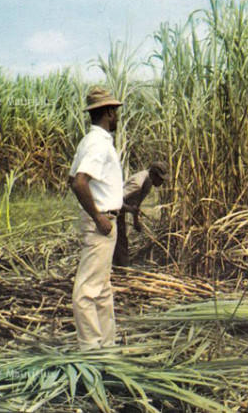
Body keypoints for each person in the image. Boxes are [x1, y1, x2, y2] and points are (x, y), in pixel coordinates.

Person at [68, 87, 123, 351]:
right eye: (116, 112)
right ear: (109, 112)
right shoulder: (98, 144)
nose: (117, 117)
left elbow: (72, 178)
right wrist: (98, 216)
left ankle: (107, 348)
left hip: (104, 223)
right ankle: (91, 351)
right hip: (101, 225)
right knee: (86, 292)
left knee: (101, 289)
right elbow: (79, 183)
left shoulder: (89, 142)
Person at [113, 162, 167, 267]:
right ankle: (122, 270)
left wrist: (135, 221)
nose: (161, 182)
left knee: (120, 240)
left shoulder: (148, 182)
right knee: (120, 241)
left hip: (121, 210)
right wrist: (131, 210)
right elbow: (115, 201)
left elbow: (135, 205)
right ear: (154, 174)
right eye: (160, 179)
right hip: (111, 210)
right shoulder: (138, 183)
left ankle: (119, 267)